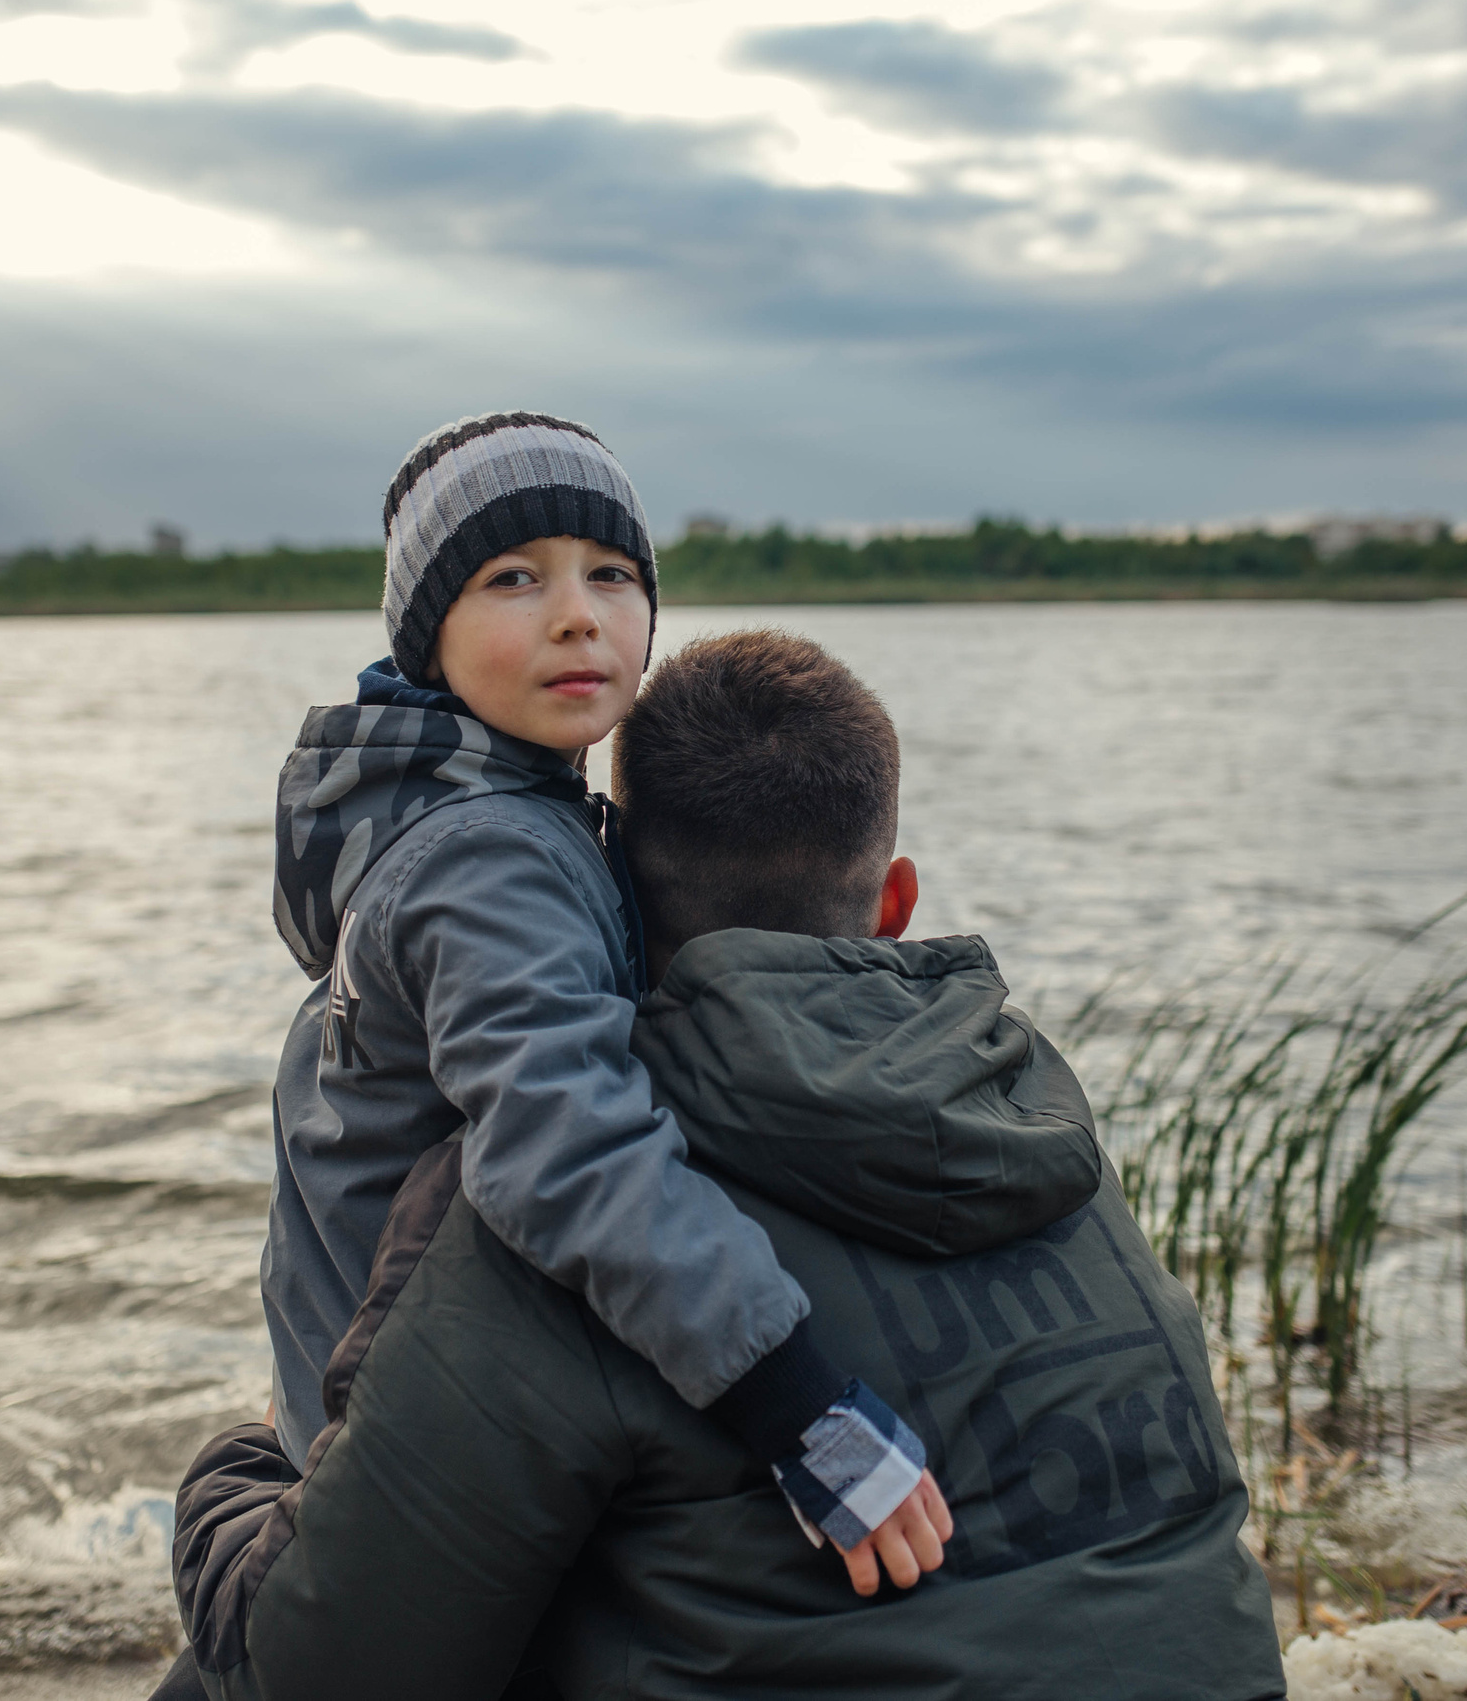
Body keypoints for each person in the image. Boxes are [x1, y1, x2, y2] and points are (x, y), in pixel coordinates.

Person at [170, 630, 1287, 1701]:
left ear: (610, 892)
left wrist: (238, 1473)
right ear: (893, 902)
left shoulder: (547, 1208)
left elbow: (318, 1678)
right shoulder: (1042, 1120)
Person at [259, 417, 938, 1580]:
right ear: (429, 637)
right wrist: (797, 1403)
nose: (576, 613)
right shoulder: (487, 861)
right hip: (398, 1444)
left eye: (610, 574)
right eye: (513, 578)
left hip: (400, 1379)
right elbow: (564, 1145)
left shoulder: (507, 814)